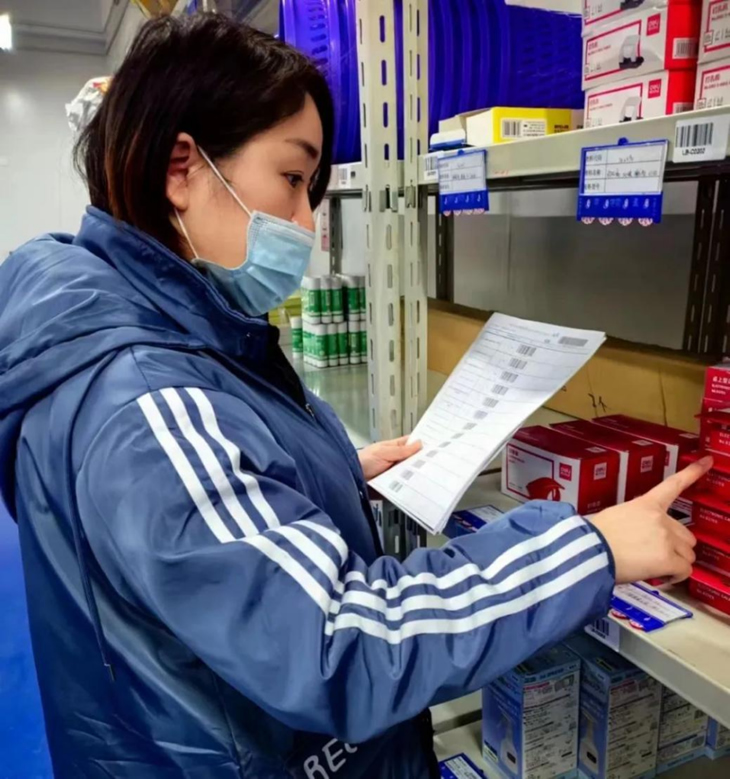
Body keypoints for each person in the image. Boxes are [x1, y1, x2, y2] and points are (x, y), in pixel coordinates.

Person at [0, 14, 709, 779]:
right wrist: (586, 550)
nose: (307, 222)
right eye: (293, 178)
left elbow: (197, 528)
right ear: (182, 168)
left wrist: (323, 471)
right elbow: (340, 643)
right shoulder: (145, 400)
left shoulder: (148, 323)